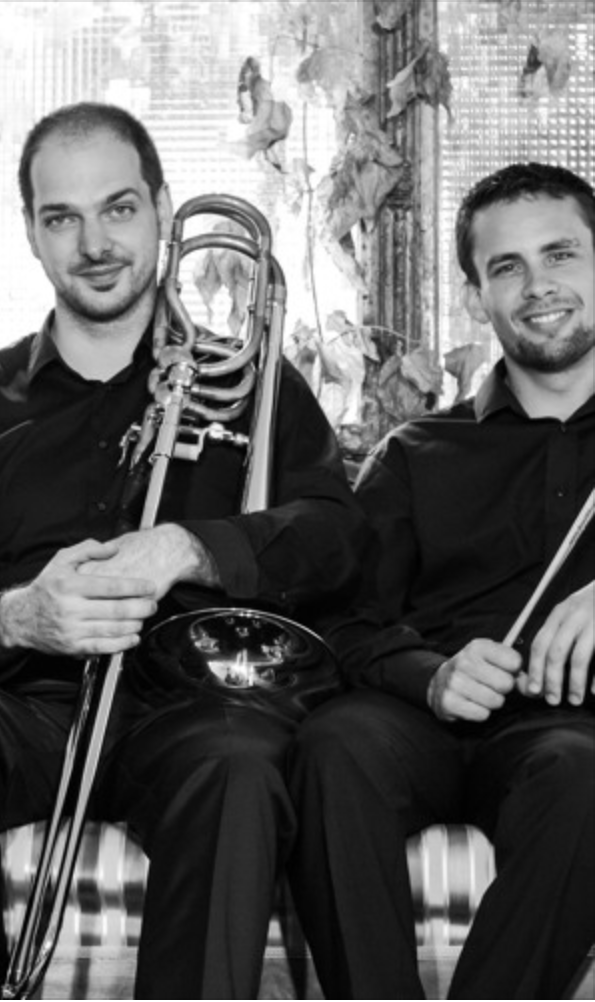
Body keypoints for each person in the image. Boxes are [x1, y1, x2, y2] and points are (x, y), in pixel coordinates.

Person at [0, 101, 367, 999]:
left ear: (163, 210)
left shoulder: (254, 383)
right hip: (25, 713)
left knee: (240, 762)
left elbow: (337, 540)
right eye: (62, 217)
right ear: (31, 232)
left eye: (120, 208)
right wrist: (18, 617)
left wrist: (191, 547)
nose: (94, 243)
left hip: (193, 713)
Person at [288, 161, 595, 999]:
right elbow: (344, 627)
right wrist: (432, 677)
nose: (538, 286)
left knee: (585, 774)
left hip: (571, 735)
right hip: (418, 724)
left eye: (561, 254)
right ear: (475, 295)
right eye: (507, 266)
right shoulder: (415, 453)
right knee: (334, 746)